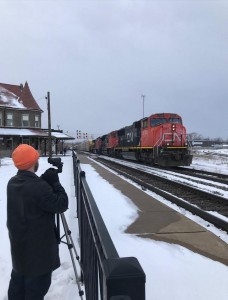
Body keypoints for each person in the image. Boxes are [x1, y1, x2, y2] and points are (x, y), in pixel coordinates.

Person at [7, 144, 68, 300]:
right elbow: (62, 204)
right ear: (34, 162)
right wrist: (55, 183)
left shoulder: (13, 183)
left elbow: (32, 194)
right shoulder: (38, 187)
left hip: (20, 252)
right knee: (35, 292)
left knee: (17, 290)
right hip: (38, 255)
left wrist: (42, 181)